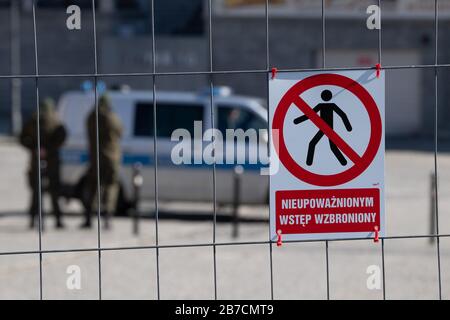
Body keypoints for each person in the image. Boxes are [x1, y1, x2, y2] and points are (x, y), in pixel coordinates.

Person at [20, 98, 67, 229]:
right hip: (52, 160)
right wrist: (50, 149)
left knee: (36, 191)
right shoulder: (55, 120)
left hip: (36, 159)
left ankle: (33, 219)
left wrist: (35, 148)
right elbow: (62, 135)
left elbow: (22, 137)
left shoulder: (33, 120)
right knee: (54, 191)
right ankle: (58, 220)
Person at [82, 95, 123, 229]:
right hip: (111, 158)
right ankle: (107, 218)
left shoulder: (91, 117)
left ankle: (88, 218)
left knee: (93, 187)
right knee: (111, 186)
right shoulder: (111, 117)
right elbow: (120, 130)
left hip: (95, 158)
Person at [293, 89, 352, 166]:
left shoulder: (327, 105)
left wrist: (348, 127)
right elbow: (343, 115)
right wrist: (348, 127)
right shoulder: (326, 105)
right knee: (329, 146)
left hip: (327, 129)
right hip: (324, 129)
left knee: (317, 144)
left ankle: (344, 162)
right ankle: (344, 162)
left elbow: (309, 115)